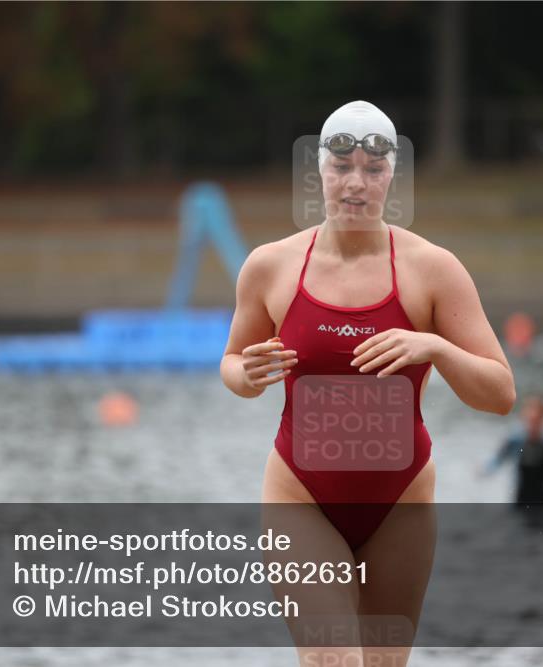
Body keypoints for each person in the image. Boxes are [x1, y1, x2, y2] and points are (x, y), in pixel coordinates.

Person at [219, 100, 515, 666]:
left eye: (373, 170)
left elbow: (500, 393)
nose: (356, 183)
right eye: (342, 167)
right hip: (300, 494)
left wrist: (435, 347)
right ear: (319, 173)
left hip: (399, 500)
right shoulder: (271, 266)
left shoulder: (434, 269)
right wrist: (247, 374)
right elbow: (232, 364)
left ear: (392, 178)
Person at [485, 396, 543, 505]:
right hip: (520, 498)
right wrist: (485, 470)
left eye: (536, 421)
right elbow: (497, 460)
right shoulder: (515, 440)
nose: (532, 426)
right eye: (529, 421)